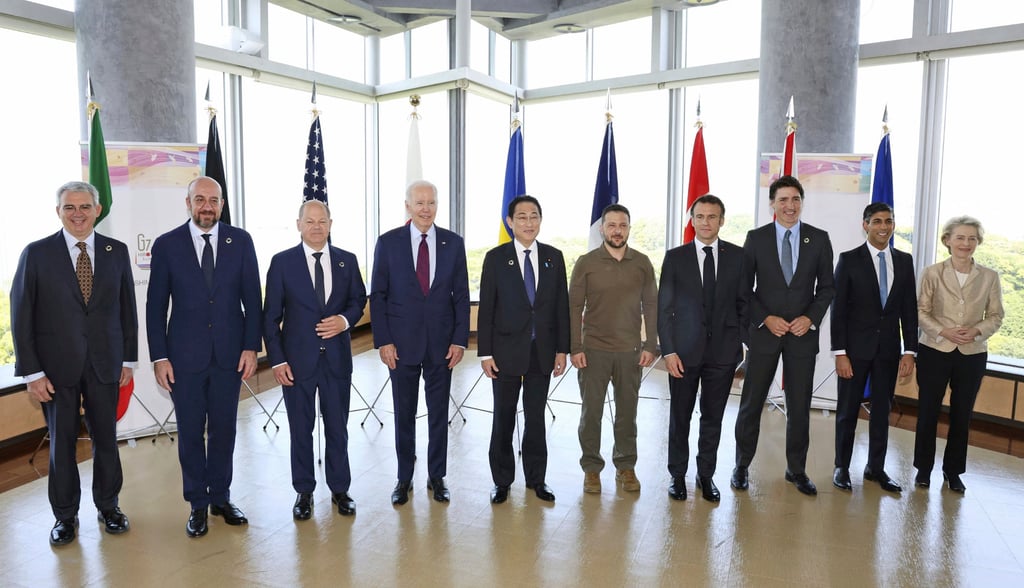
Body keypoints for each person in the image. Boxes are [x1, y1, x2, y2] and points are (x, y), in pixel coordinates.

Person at [10, 181, 138, 546]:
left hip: (105, 364)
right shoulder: (36, 254)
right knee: (62, 444)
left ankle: (109, 507)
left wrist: (128, 359)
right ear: (58, 212)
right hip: (54, 371)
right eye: (70, 207)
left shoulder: (117, 251)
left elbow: (127, 310)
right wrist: (32, 373)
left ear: (98, 210)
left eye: (85, 206)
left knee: (107, 441)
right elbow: (22, 316)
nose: (78, 214)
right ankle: (65, 517)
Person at [146, 176, 262, 537]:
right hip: (184, 358)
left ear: (222, 204)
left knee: (225, 430)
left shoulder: (240, 241)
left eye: (213, 200)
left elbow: (252, 301)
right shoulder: (167, 245)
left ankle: (221, 497)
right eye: (200, 199)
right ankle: (197, 502)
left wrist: (250, 347)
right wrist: (159, 357)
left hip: (230, 355)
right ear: (189, 203)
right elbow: (154, 306)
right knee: (192, 432)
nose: (207, 206)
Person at [263, 199, 366, 519]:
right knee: (300, 428)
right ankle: (304, 492)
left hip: (336, 361)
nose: (317, 227)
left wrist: (345, 321)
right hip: (297, 364)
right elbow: (270, 318)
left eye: (322, 221)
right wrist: (278, 361)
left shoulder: (346, 261)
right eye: (310, 221)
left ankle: (340, 489)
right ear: (298, 225)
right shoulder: (282, 263)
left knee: (338, 428)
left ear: (331, 224)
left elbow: (358, 299)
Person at [732, 175, 834, 496]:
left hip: (802, 336)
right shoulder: (756, 238)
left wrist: (810, 318)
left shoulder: (818, 239)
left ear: (801, 203)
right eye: (783, 200)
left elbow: (827, 287)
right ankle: (741, 466)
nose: (790, 206)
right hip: (765, 334)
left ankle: (797, 469)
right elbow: (743, 290)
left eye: (795, 200)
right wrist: (766, 318)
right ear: (773, 204)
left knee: (800, 404)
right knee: (751, 403)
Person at [370, 180, 470, 505]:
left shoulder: (453, 244)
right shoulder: (388, 243)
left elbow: (461, 296)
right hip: (401, 346)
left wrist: (459, 340)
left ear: (436, 206)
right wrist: (383, 341)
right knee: (404, 413)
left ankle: (437, 476)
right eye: (419, 203)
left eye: (431, 203)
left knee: (440, 413)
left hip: (442, 345)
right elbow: (379, 297)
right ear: (408, 206)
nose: (425, 209)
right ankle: (404, 477)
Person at [478, 195, 569, 504]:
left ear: (540, 221)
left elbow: (561, 308)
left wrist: (562, 350)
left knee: (535, 416)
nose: (528, 223)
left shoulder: (554, 257)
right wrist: (485, 353)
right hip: (504, 352)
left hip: (541, 351)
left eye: (534, 217)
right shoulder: (495, 258)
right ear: (510, 222)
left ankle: (536, 478)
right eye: (522, 217)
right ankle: (502, 480)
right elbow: (487, 308)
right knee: (503, 416)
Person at [657, 194, 745, 502]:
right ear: (692, 220)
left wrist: (741, 346)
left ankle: (705, 475)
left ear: (722, 221)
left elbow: (743, 304)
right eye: (700, 217)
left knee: (713, 417)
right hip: (683, 353)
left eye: (712, 217)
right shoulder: (675, 257)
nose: (706, 222)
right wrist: (668, 351)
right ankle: (677, 475)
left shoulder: (738, 257)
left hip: (722, 355)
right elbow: (664, 309)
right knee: (680, 416)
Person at [569, 203, 658, 494]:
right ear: (602, 229)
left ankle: (626, 466)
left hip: (630, 352)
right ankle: (591, 469)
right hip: (593, 351)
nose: (617, 231)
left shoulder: (642, 262)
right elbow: (573, 307)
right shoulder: (586, 262)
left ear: (629, 228)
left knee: (626, 414)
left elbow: (652, 306)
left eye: (623, 225)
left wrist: (650, 345)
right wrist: (575, 347)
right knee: (591, 413)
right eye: (612, 225)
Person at [831, 203, 917, 493]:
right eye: (877, 221)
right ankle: (841, 467)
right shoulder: (849, 259)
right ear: (865, 224)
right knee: (846, 410)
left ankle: (875, 468)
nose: (884, 226)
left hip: (889, 351)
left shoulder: (904, 261)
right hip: (854, 352)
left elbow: (909, 310)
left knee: (882, 410)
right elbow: (838, 310)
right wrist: (839, 353)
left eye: (889, 221)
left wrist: (910, 351)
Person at [914, 216, 1003, 494]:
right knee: (928, 411)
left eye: (972, 238)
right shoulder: (932, 272)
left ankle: (953, 471)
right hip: (935, 350)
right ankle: (923, 470)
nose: (966, 243)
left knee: (962, 414)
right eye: (960, 238)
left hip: (972, 353)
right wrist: (944, 331)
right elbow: (921, 311)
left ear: (978, 242)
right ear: (948, 240)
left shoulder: (990, 276)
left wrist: (976, 331)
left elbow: (997, 316)